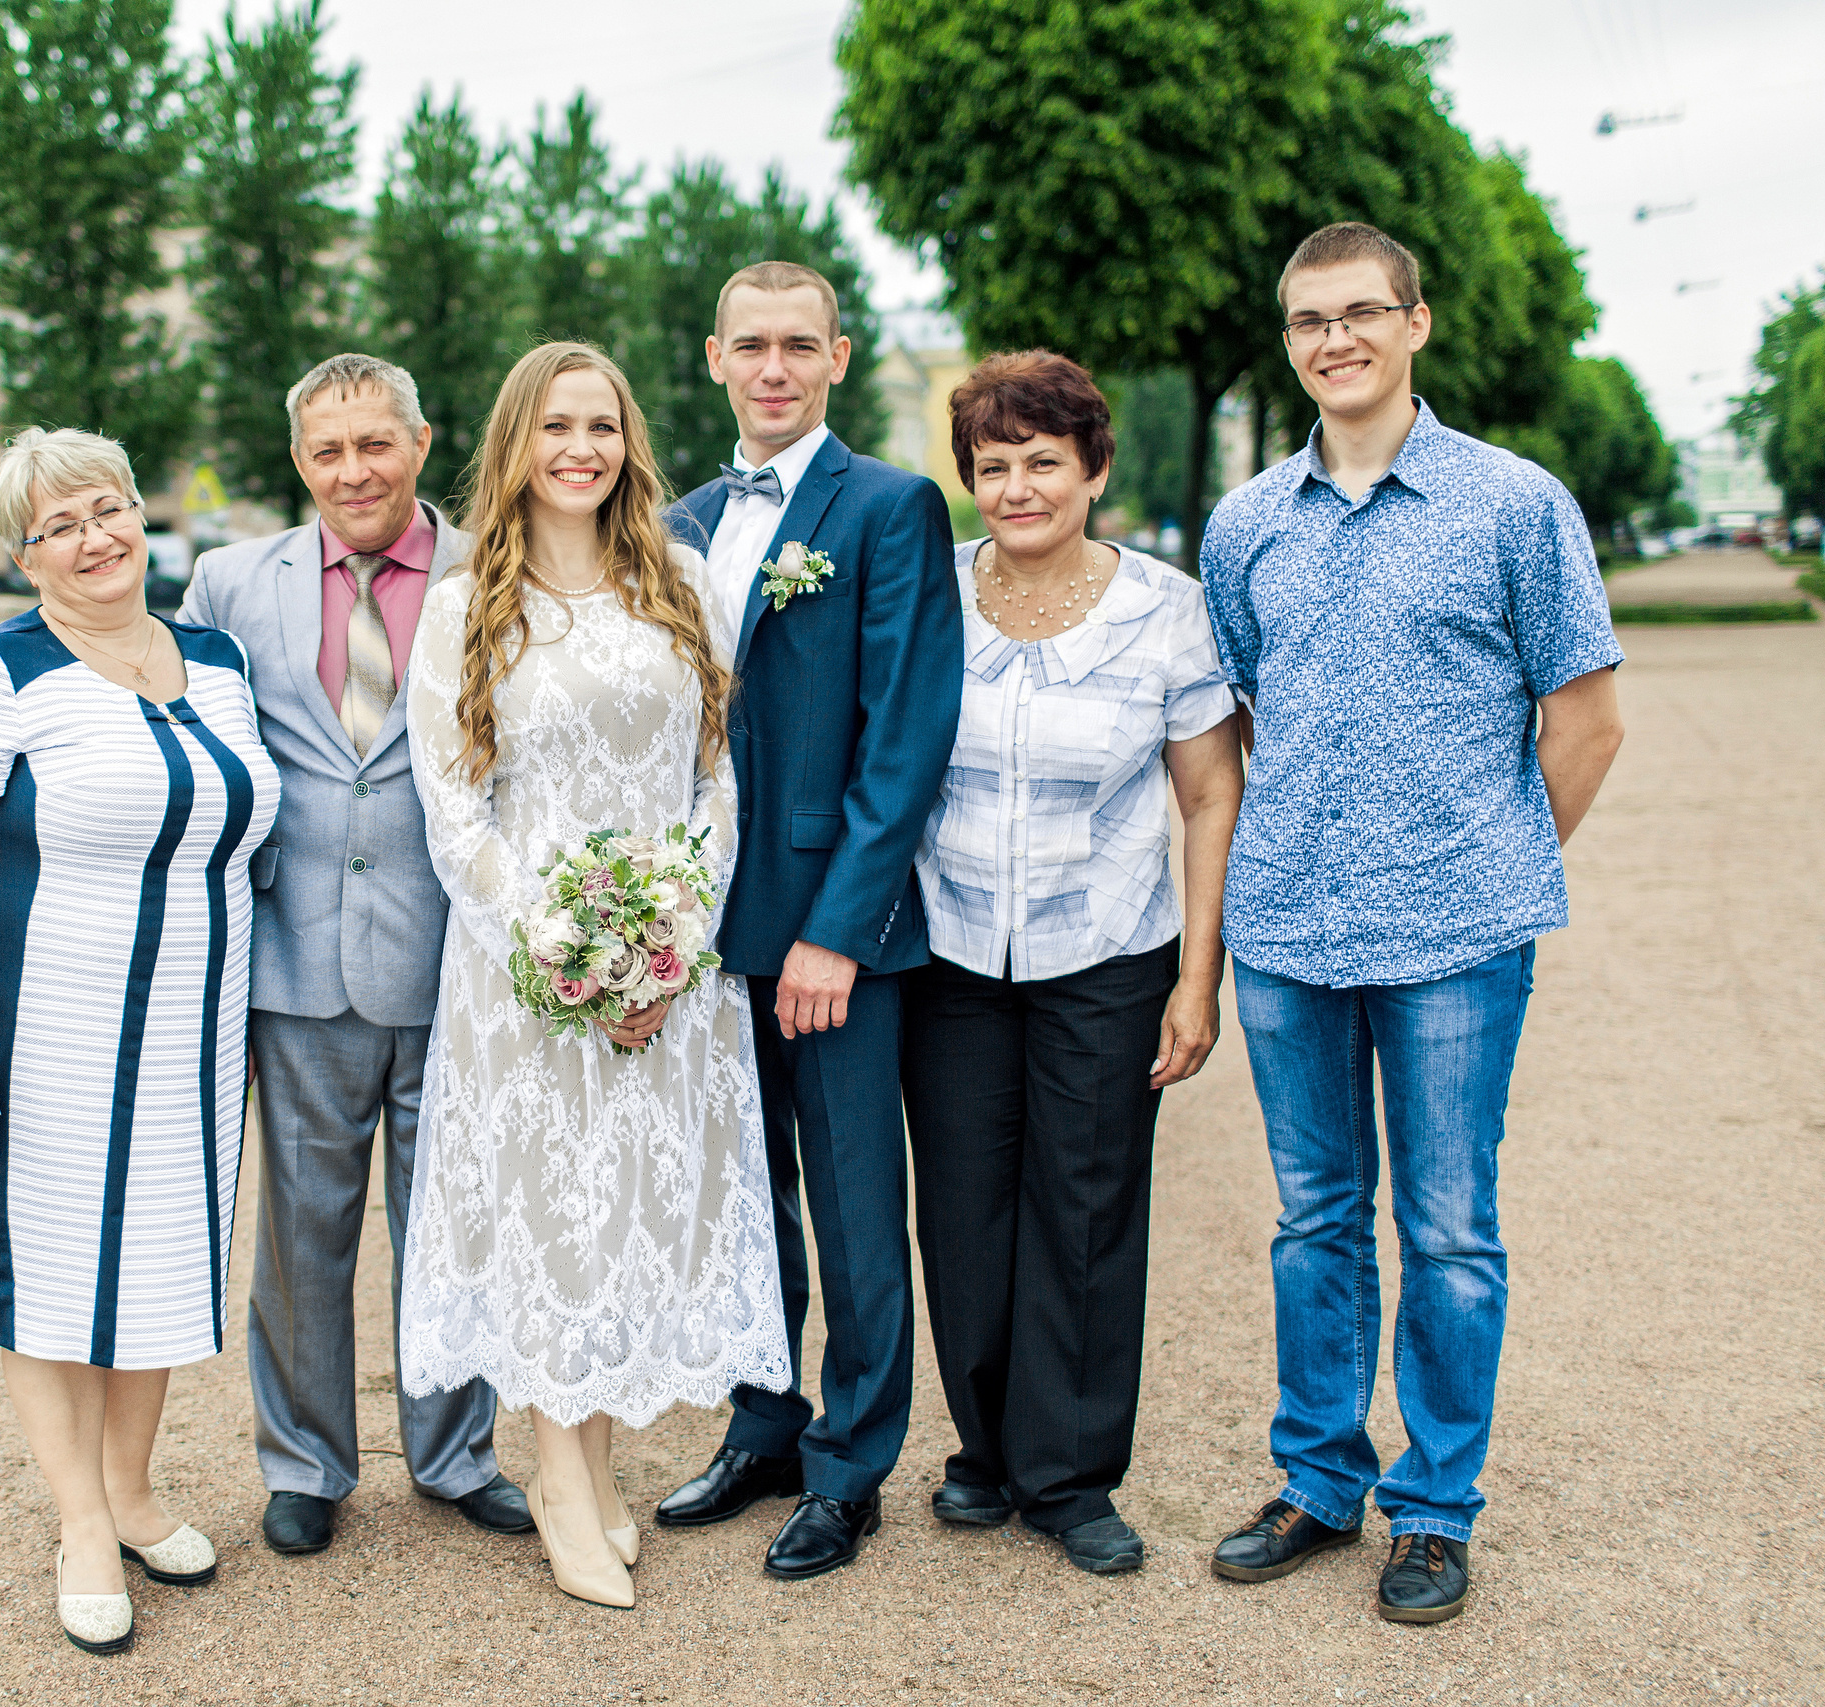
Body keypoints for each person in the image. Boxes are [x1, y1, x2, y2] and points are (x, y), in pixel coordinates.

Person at [1199, 223, 1625, 1624]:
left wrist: (1491, 857)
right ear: (1291, 343)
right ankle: (1321, 1478)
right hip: (1287, 931)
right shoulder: (1246, 523)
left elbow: (1586, 719)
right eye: (1311, 320)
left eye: (1362, 312)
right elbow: (1248, 715)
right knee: (1316, 1217)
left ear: (1416, 324)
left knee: (1447, 1226)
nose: (1337, 339)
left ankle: (1435, 1506)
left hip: (1456, 936)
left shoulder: (1514, 505)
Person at [398, 341, 790, 1610]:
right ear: (516, 441)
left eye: (603, 425)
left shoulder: (676, 580)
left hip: (669, 972)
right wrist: (568, 947)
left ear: (629, 442)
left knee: (622, 1215)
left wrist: (668, 941)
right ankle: (562, 1489)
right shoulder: (466, 606)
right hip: (527, 975)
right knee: (545, 1216)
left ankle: (598, 1469)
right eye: (557, 425)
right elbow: (456, 813)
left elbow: (716, 780)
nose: (582, 447)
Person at [0, 426, 282, 1655]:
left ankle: (133, 1492)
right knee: (56, 1273)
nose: (92, 539)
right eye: (56, 527)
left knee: (165, 1259)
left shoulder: (218, 663)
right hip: (48, 1024)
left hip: (195, 1026)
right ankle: (76, 1521)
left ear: (138, 514)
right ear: (26, 555)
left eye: (106, 510)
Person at [178, 354, 530, 1558]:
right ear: (298, 462)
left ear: (421, 444)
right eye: (327, 451)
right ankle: (306, 1464)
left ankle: (453, 1455)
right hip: (296, 960)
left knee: (454, 1221)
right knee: (300, 1235)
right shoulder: (228, 582)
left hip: (460, 958)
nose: (352, 471)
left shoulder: (501, 567)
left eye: (374, 444)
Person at [901, 351, 1243, 1576]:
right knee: (964, 1209)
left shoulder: (1167, 605)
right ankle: (984, 1455)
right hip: (948, 952)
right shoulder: (928, 592)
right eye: (991, 468)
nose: (1016, 488)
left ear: (1094, 469)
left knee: (1087, 1211)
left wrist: (1197, 978)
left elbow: (1208, 796)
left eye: (1042, 462)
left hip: (1107, 950)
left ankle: (1070, 1476)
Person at [653, 262, 962, 1580]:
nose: (773, 367)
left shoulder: (890, 507)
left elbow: (905, 735)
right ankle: (764, 1422)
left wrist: (840, 926)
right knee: (738, 1202)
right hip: (700, 926)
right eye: (751, 346)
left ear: (838, 357)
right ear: (714, 356)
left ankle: (851, 1463)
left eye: (800, 345)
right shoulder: (676, 519)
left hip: (832, 928)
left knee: (848, 1202)